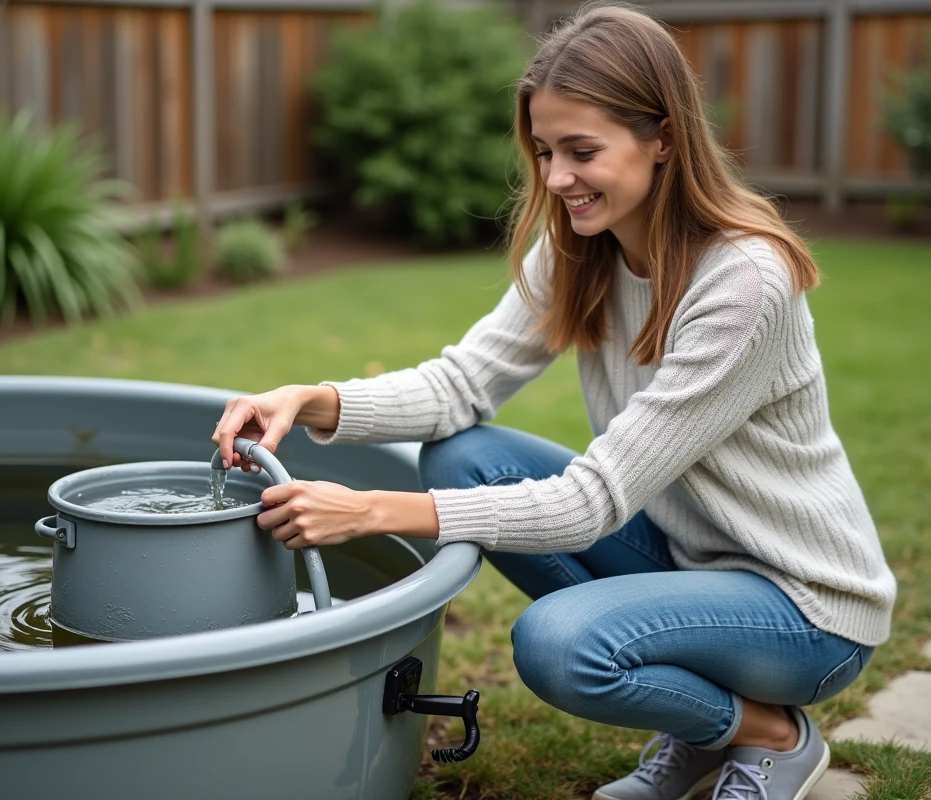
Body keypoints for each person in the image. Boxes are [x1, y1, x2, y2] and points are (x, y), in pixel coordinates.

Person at [212, 5, 896, 799]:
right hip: (689, 558)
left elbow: (590, 502)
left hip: (804, 608)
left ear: (663, 138)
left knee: (560, 644)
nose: (555, 178)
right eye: (544, 151)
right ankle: (708, 728)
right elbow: (461, 385)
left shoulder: (744, 283)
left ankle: (770, 735)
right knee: (465, 456)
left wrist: (369, 511)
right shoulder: (581, 246)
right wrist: (310, 400)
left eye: (581, 151)